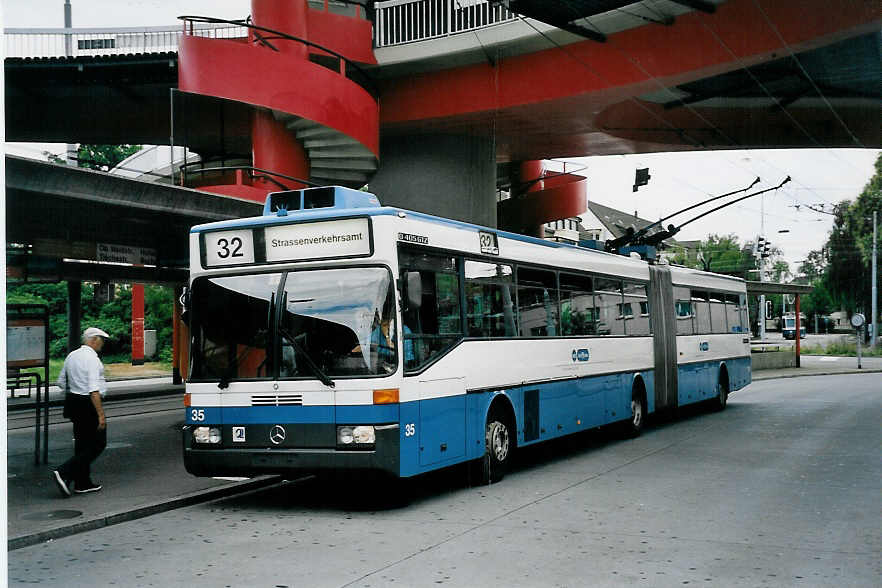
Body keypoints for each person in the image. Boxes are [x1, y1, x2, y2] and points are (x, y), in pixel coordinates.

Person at [52, 327, 109, 497]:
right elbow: (94, 389)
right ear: (94, 340)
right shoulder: (92, 359)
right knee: (98, 444)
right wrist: (100, 415)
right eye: (101, 340)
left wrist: (76, 388)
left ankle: (82, 483)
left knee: (82, 444)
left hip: (74, 403)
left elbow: (61, 382)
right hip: (88, 404)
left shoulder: (72, 355)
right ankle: (64, 471)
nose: (102, 343)